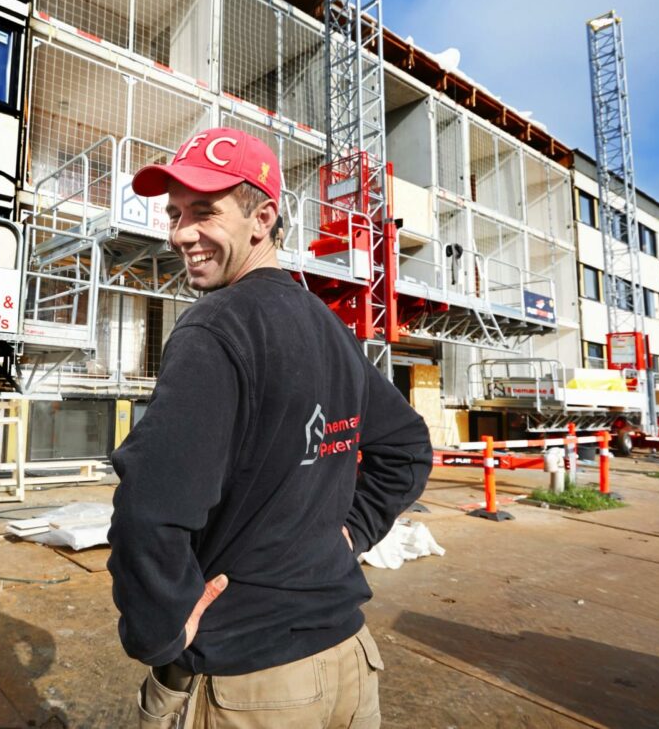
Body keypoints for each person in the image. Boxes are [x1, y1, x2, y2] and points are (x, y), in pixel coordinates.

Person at [107, 127, 433, 728]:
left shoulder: (216, 330)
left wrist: (159, 629)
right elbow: (408, 447)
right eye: (175, 214)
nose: (181, 234)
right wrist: (349, 536)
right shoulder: (327, 326)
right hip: (351, 665)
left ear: (262, 218)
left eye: (203, 212)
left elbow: (149, 510)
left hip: (254, 685)